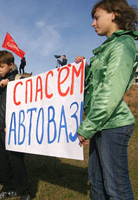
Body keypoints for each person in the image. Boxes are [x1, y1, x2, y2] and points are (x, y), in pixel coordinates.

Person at [76, 1, 138, 199]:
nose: (93, 23)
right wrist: (84, 70)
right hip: (102, 123)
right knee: (97, 182)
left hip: (112, 123)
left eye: (96, 17)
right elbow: (97, 85)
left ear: (114, 14)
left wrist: (88, 126)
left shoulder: (123, 45)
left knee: (115, 188)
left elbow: (110, 90)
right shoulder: (108, 47)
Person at [0, 51, 31, 200]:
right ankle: (8, 188)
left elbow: (27, 104)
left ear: (10, 65)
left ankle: (24, 191)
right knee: (2, 162)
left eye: (1, 66)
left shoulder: (20, 80)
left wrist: (13, 124)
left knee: (16, 161)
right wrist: (0, 87)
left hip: (14, 129)